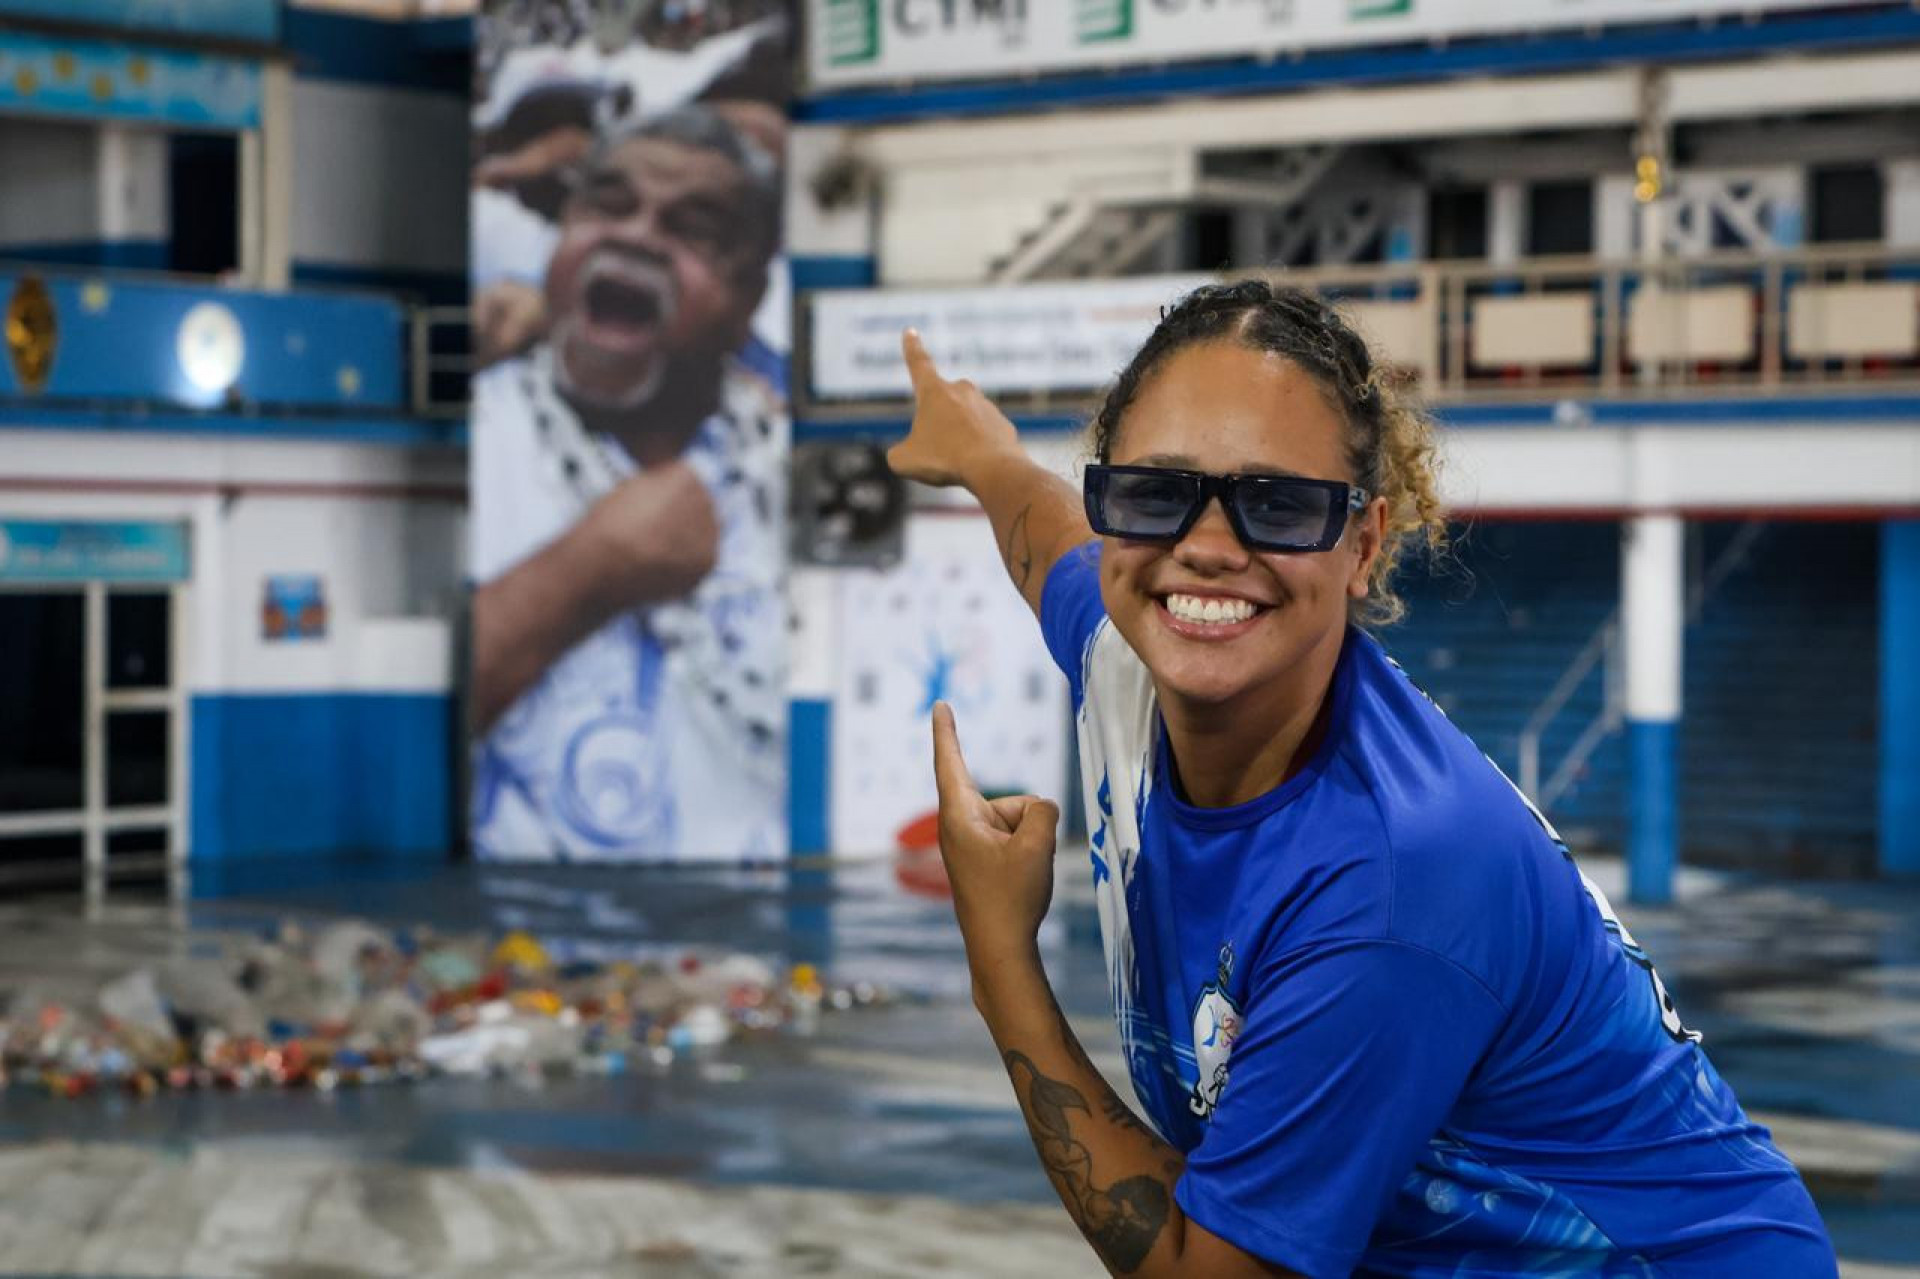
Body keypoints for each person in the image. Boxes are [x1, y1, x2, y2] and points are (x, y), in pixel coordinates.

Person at [888, 280, 1837, 1278]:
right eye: (1154, 490)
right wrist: (979, 451)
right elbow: (1044, 535)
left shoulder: (1390, 882)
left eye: (1279, 505)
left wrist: (1000, 959)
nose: (1205, 547)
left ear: (1363, 543)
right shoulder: (1128, 648)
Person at [470, 103, 785, 861]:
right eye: (608, 205)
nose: (637, 235)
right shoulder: (475, 436)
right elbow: (384, 747)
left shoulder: (787, 464)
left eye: (693, 227)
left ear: (746, 301)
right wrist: (588, 570)